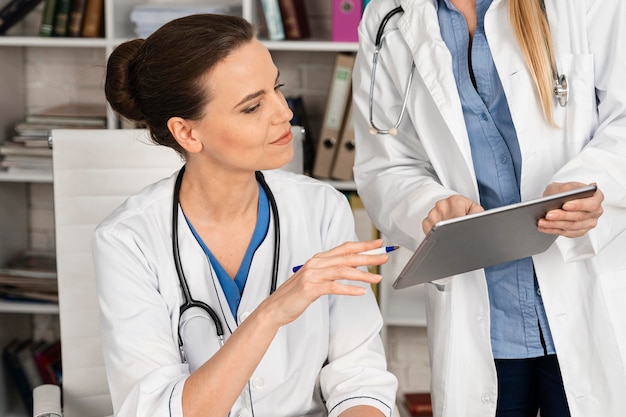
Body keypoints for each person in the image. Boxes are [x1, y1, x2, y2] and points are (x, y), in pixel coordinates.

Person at [93, 14, 398, 417]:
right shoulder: (127, 241)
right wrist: (272, 312)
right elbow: (156, 411)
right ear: (187, 133)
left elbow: (358, 375)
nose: (284, 112)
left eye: (277, 88)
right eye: (253, 106)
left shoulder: (322, 209)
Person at [352, 1, 626, 416]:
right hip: (484, 315)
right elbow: (385, 164)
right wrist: (430, 207)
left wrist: (594, 183)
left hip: (586, 287)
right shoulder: (389, 16)